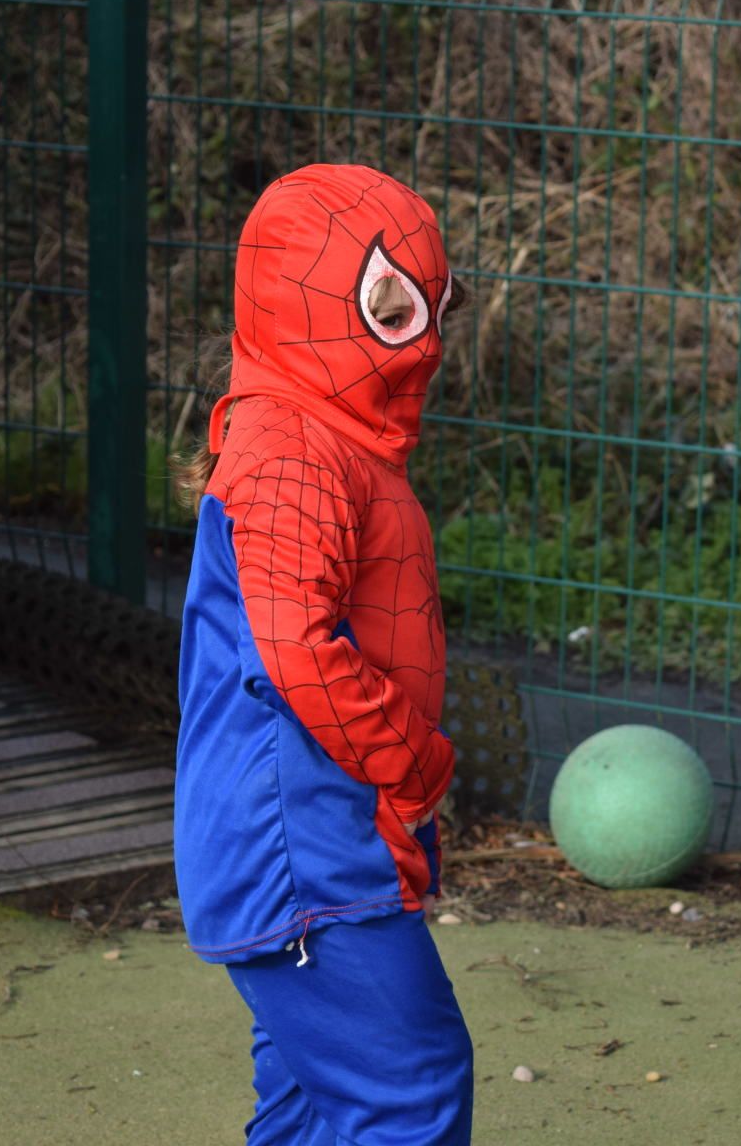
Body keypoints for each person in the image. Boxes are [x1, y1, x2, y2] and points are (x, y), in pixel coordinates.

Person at [173, 163, 471, 1145]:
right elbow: (297, 650)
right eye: (392, 308)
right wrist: (413, 763)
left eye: (434, 304)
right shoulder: (295, 452)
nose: (424, 338)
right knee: (409, 1090)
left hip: (323, 833)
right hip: (303, 848)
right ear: (307, 307)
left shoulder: (324, 438)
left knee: (309, 1108)